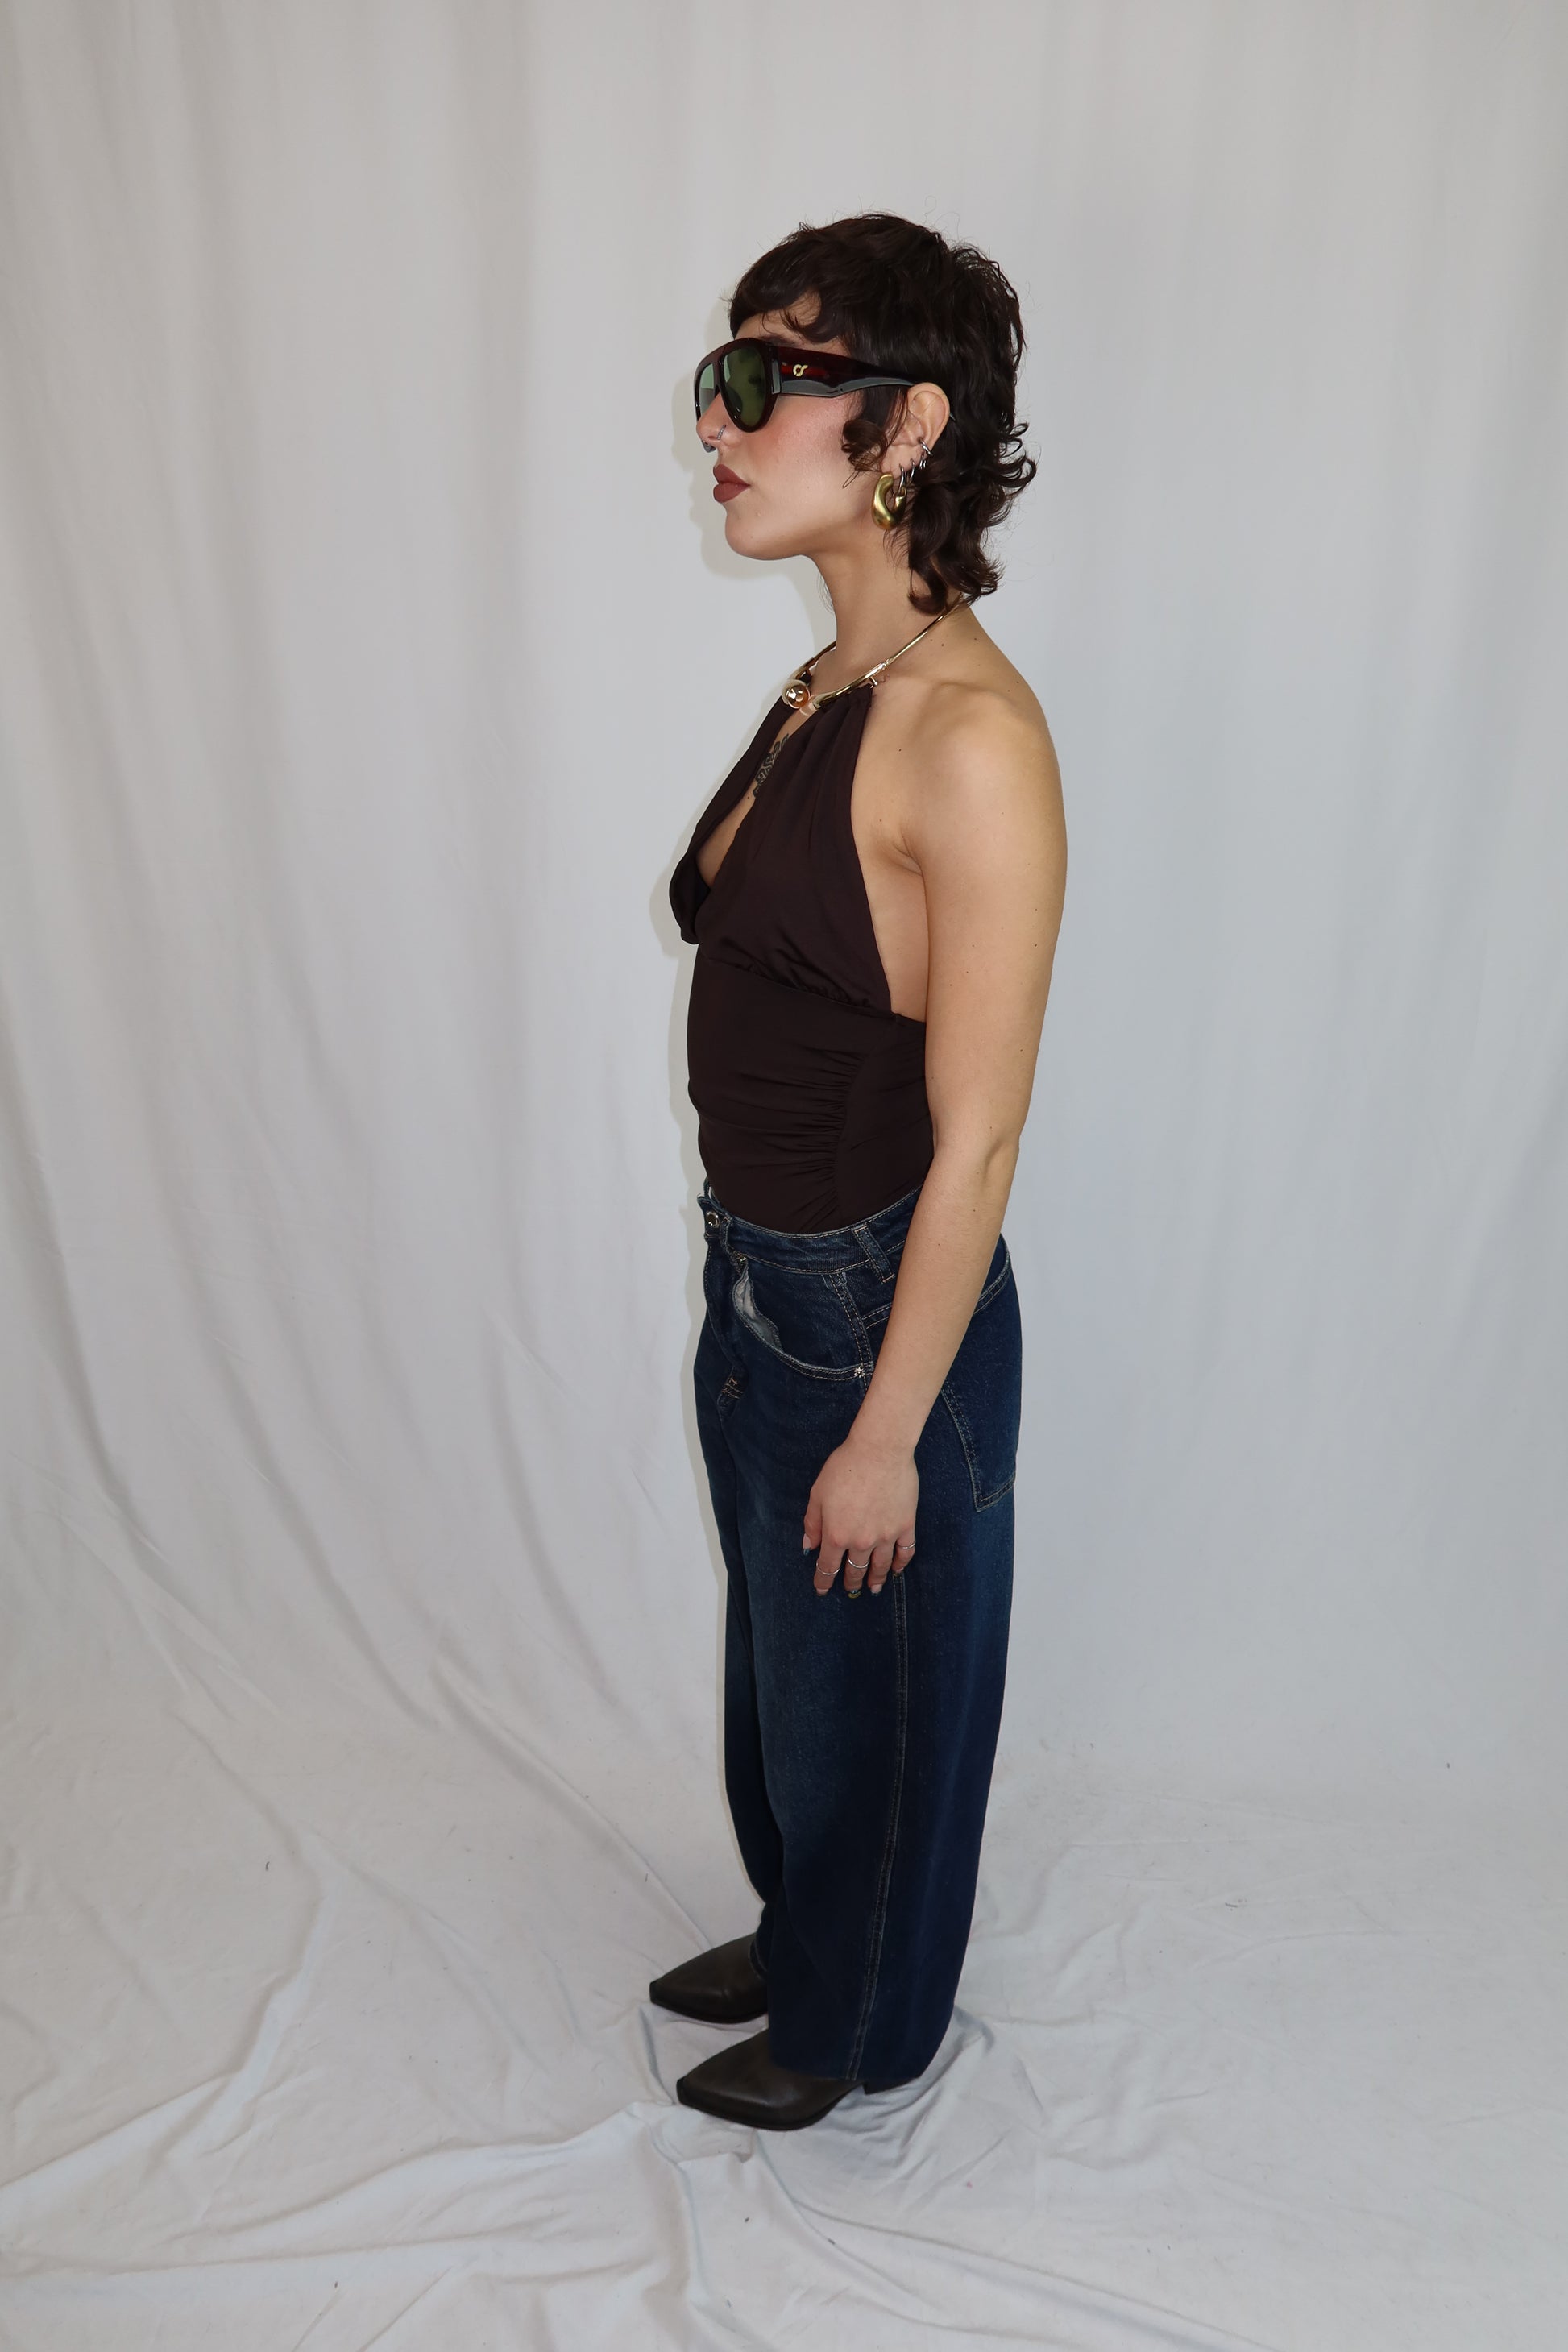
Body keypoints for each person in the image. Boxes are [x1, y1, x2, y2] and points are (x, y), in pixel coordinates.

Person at [656, 214, 1067, 2130]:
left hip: (868, 1297)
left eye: (762, 381)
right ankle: (803, 1917)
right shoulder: (836, 679)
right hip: (757, 1269)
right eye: (717, 379)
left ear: (903, 426)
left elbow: (981, 1130)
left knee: (873, 1691)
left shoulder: (971, 742)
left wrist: (893, 1428)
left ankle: (855, 2018)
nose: (716, 424)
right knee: (786, 1669)